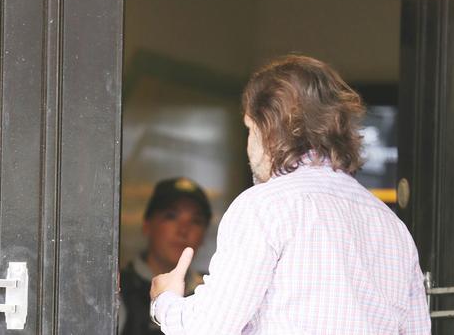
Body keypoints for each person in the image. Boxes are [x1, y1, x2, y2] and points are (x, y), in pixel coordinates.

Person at [149, 55, 431, 334]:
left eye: (249, 129)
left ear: (267, 127)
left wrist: (165, 301)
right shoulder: (393, 227)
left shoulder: (264, 207)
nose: (249, 144)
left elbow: (208, 328)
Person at [120, 177, 212, 335]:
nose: (183, 230)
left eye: (195, 221)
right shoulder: (118, 288)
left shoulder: (209, 291)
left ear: (204, 236)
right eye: (171, 216)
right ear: (147, 225)